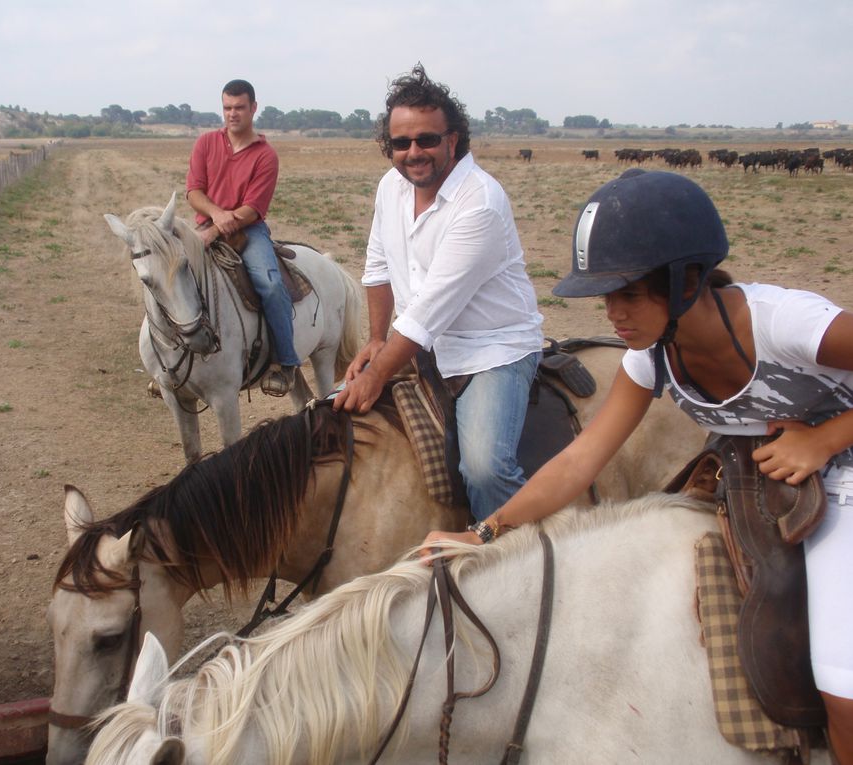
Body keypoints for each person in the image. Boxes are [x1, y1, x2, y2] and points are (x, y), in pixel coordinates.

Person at [423, 169, 853, 763]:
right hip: (761, 480)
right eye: (606, 298)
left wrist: (828, 438)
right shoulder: (651, 357)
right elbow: (580, 460)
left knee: (843, 689)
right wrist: (483, 533)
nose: (613, 314)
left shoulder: (787, 323)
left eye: (628, 294)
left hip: (841, 472)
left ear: (687, 283)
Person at [333, 65, 543, 522]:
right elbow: (377, 267)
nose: (414, 153)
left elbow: (429, 311)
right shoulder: (392, 187)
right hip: (418, 347)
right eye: (401, 143)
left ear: (453, 139)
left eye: (427, 139)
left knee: (486, 469)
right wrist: (373, 340)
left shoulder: (479, 202)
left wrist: (377, 372)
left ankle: (514, 558)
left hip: (491, 350)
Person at [185, 78, 300, 396]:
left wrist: (218, 226)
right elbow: (194, 192)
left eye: (239, 107)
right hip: (206, 224)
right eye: (227, 107)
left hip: (248, 230)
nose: (232, 114)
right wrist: (216, 216)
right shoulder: (206, 143)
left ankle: (285, 362)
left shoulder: (266, 155)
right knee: (169, 274)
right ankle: (168, 361)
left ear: (253, 108)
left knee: (271, 284)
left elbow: (252, 209)